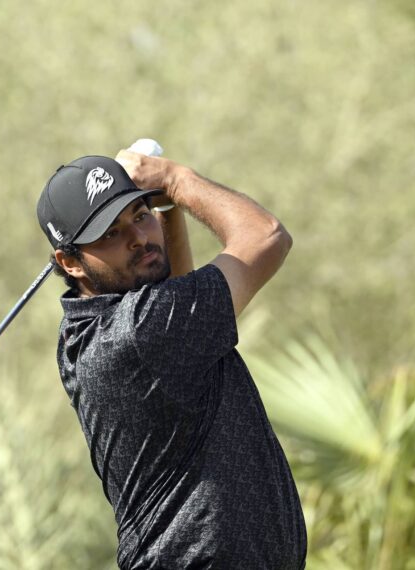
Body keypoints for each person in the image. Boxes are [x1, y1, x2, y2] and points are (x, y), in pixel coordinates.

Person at [36, 147, 307, 569]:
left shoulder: (86, 330)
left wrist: (166, 207)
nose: (139, 238)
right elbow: (267, 237)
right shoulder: (141, 333)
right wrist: (175, 180)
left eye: (140, 214)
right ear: (69, 262)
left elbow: (177, 308)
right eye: (110, 234)